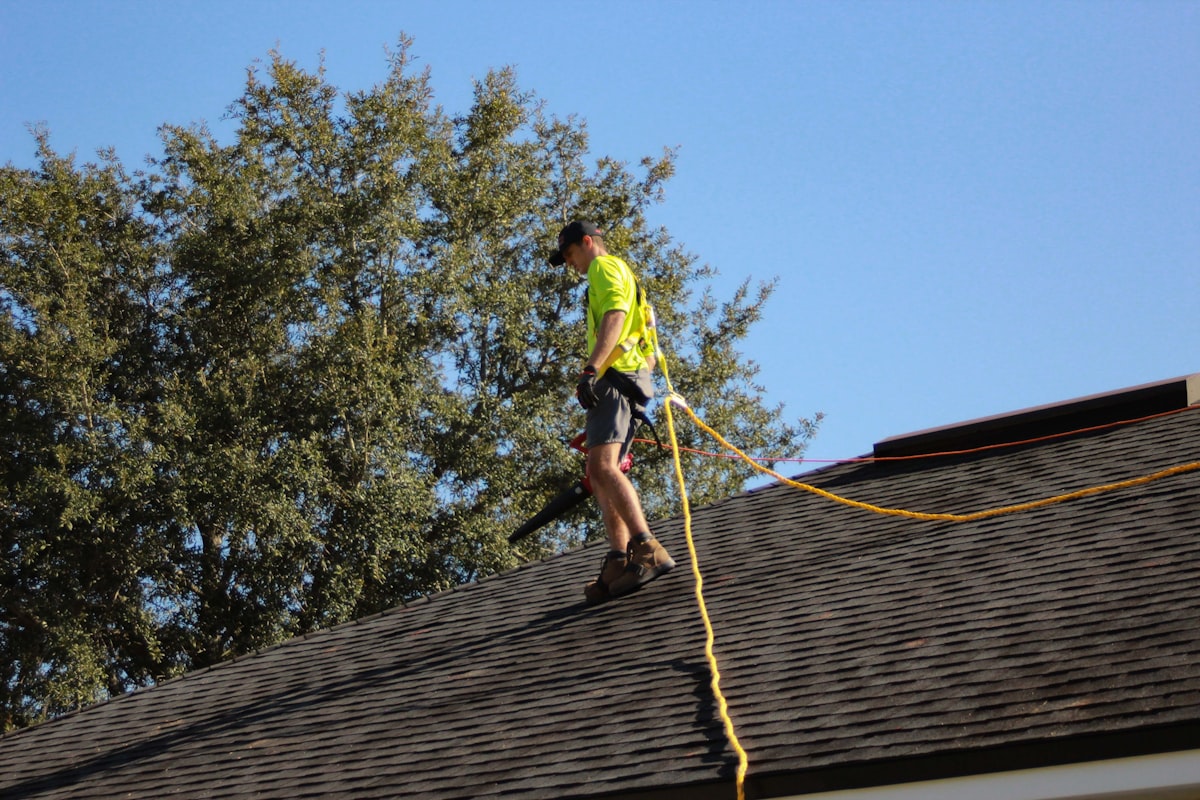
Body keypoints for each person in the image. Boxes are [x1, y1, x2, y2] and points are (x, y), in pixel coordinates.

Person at [548, 221, 676, 603]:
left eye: (570, 254)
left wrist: (593, 369)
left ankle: (647, 546)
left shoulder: (603, 268)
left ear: (588, 243)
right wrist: (641, 381)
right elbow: (648, 340)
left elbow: (616, 316)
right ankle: (620, 559)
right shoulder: (626, 275)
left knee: (602, 467)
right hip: (630, 377)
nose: (571, 264)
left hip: (615, 377)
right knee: (600, 469)